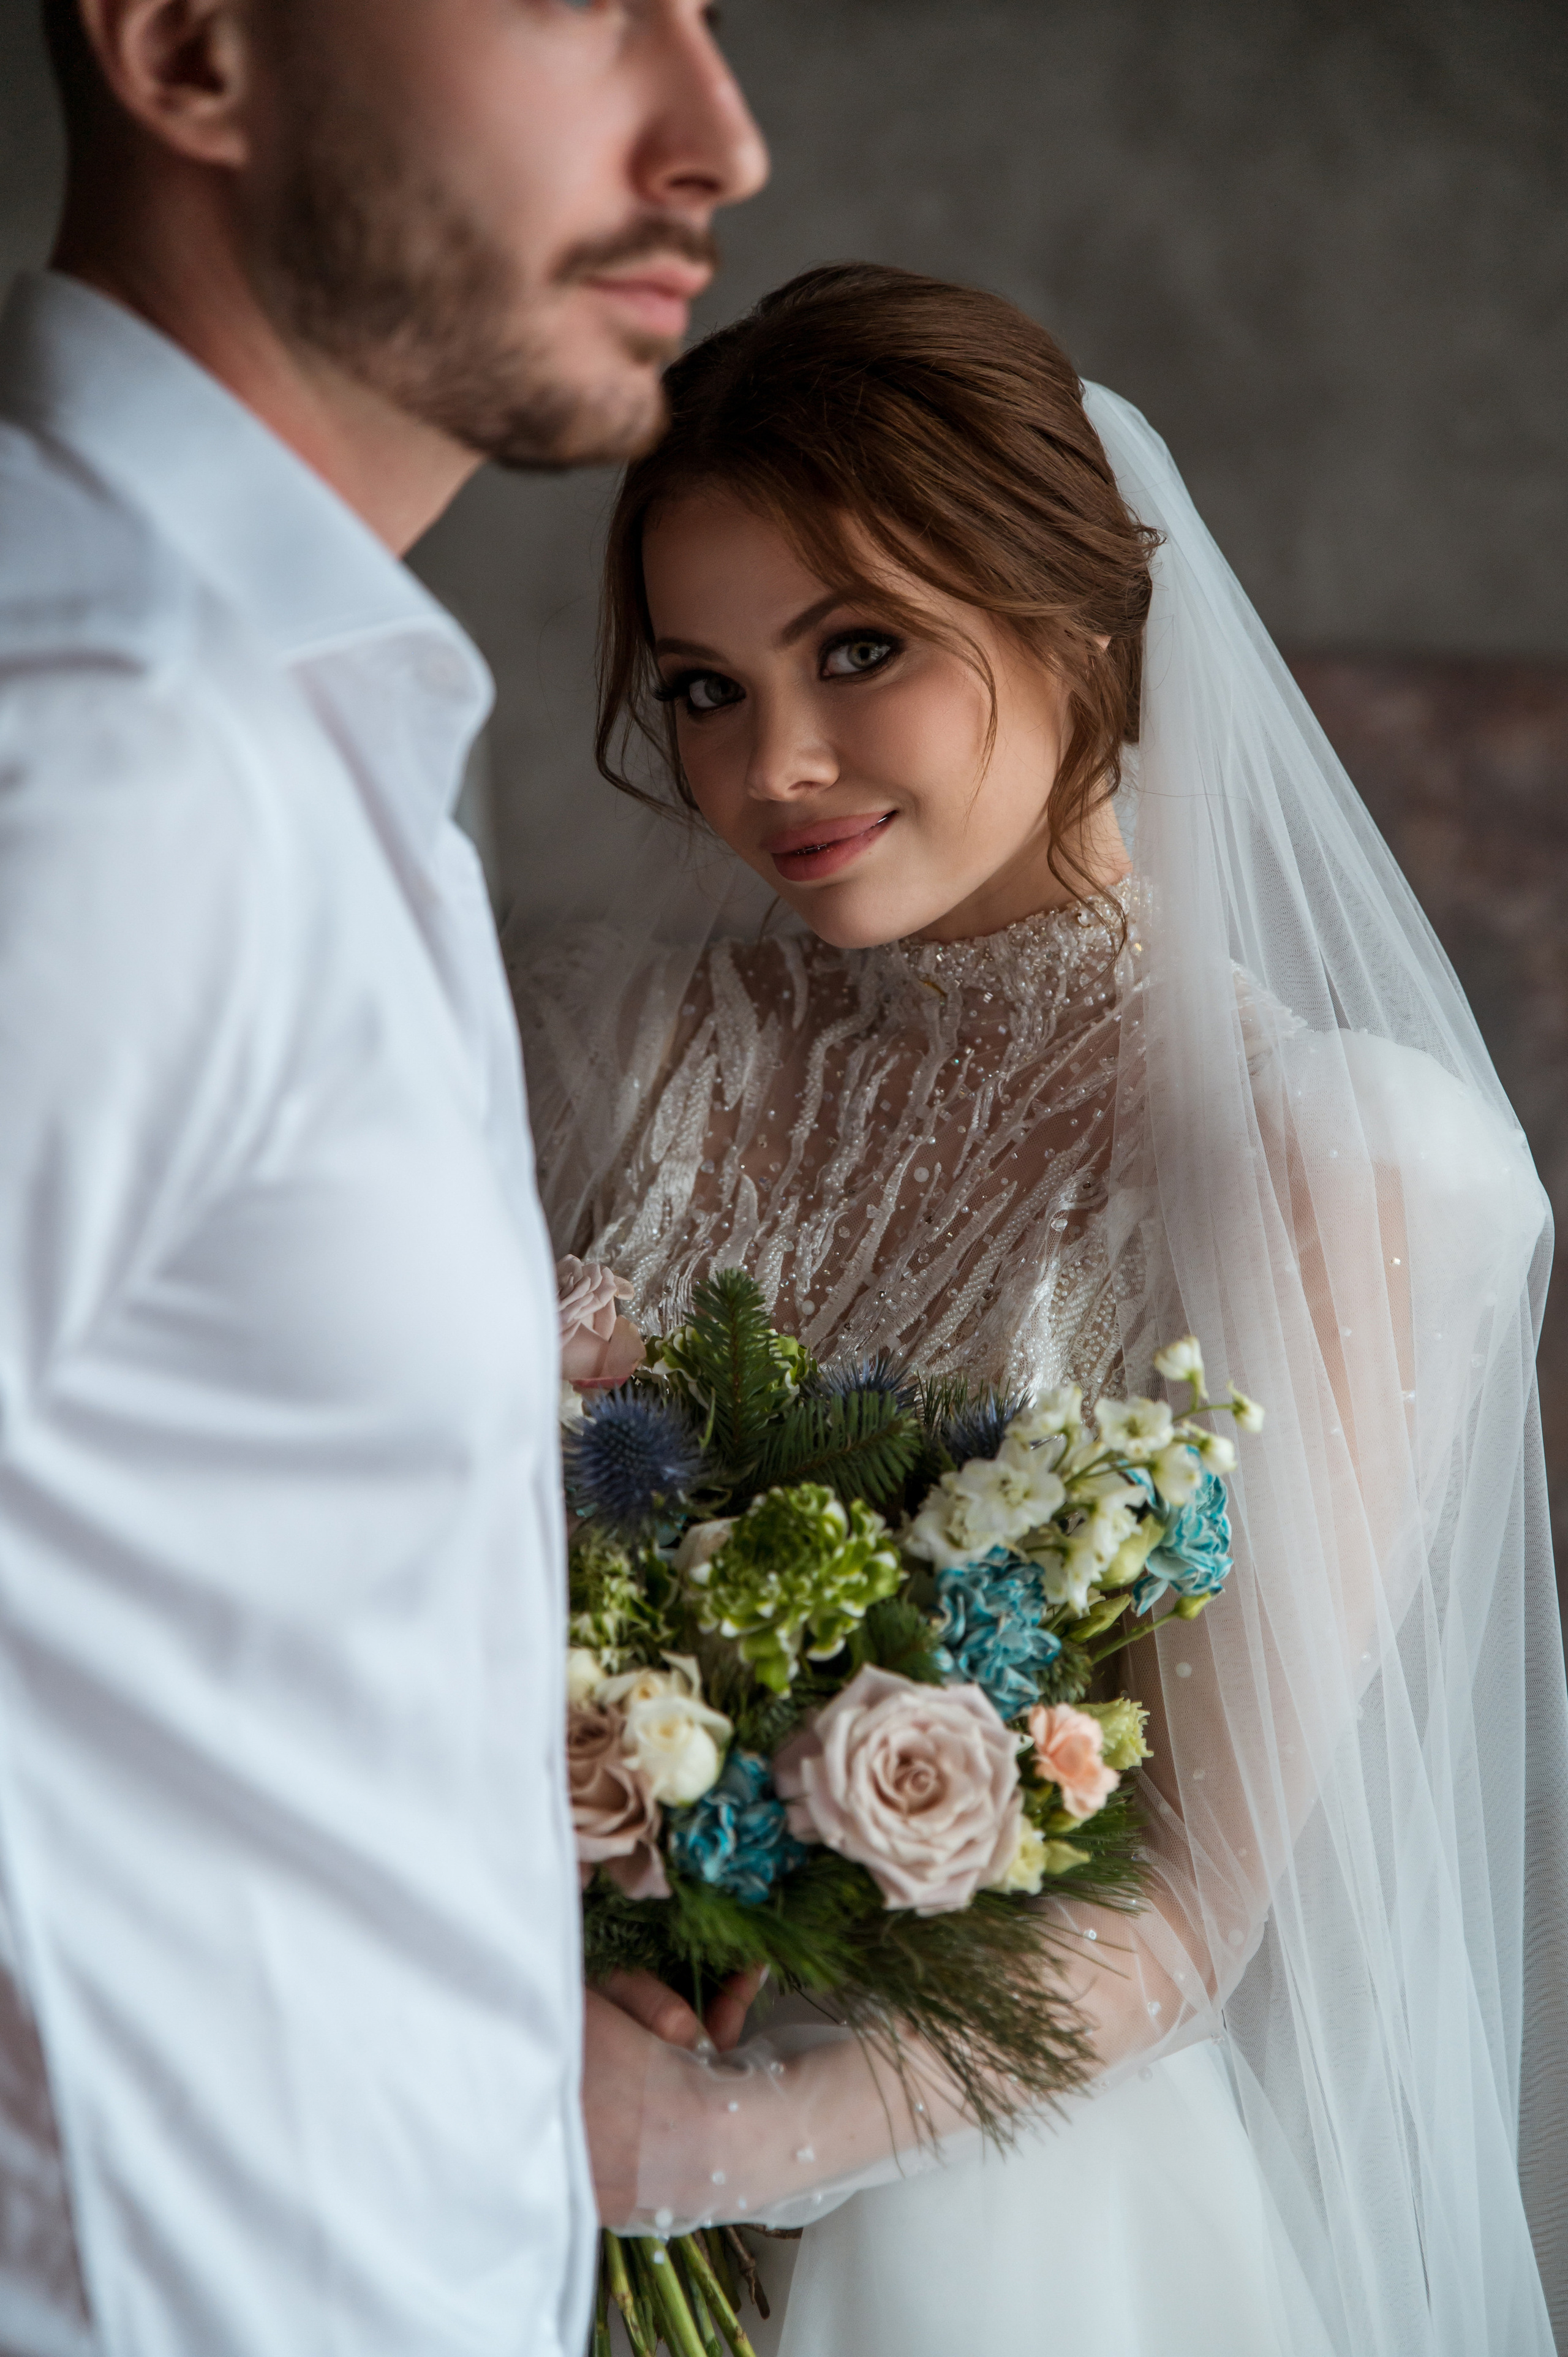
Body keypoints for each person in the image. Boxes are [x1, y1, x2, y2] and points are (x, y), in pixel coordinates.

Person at [515, 265, 1568, 2355]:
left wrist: (707, 2153)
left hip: (988, 2230)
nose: (772, 766)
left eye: (861, 649)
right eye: (706, 687)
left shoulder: (1330, 1160)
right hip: (530, 2117)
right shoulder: (636, 1048)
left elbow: (1194, 1911)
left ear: (1088, 621)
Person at [0, 3, 764, 2351]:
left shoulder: (304, 722)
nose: (717, 135)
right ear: (193, 47)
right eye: (577, 5)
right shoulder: (110, 759)